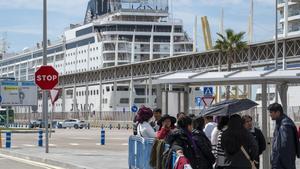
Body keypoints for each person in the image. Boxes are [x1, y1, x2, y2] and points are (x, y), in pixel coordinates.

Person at [268, 103, 300, 169]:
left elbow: (286, 148)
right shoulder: (281, 123)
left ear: (278, 112)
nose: (270, 115)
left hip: (281, 165)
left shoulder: (285, 125)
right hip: (279, 163)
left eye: (271, 112)